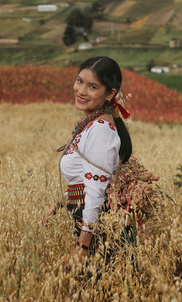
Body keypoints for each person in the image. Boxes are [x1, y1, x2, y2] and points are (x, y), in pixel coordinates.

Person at [53, 56, 133, 268]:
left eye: (92, 86)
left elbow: (96, 193)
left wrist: (83, 247)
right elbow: (85, 179)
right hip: (85, 220)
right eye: (80, 81)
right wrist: (58, 204)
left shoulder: (100, 131)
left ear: (110, 94)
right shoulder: (92, 123)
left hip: (93, 226)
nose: (81, 90)